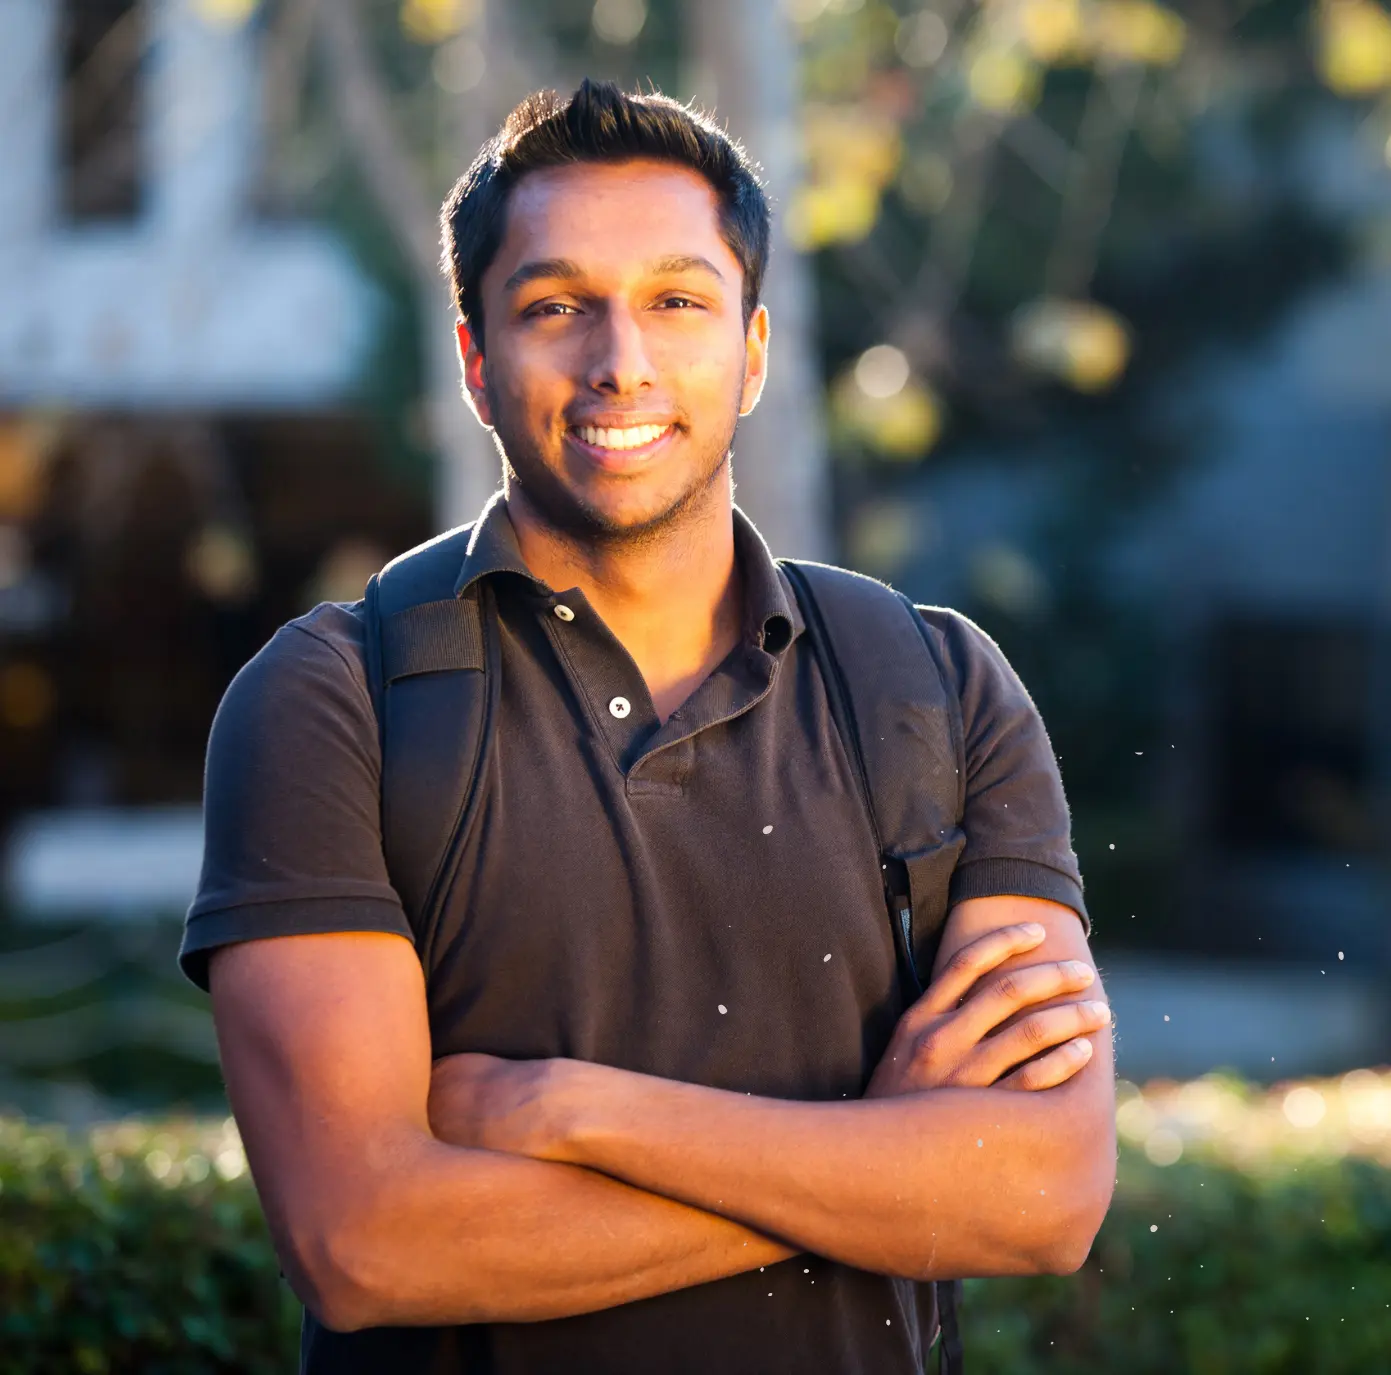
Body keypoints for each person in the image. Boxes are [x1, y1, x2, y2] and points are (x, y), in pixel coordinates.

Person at [180, 80, 1115, 1375]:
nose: (619, 360)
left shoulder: (935, 685)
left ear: (752, 348)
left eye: (676, 300)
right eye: (555, 306)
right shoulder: (332, 701)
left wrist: (565, 1106)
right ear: (473, 359)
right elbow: (363, 1242)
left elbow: (1042, 1192)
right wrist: (877, 1154)